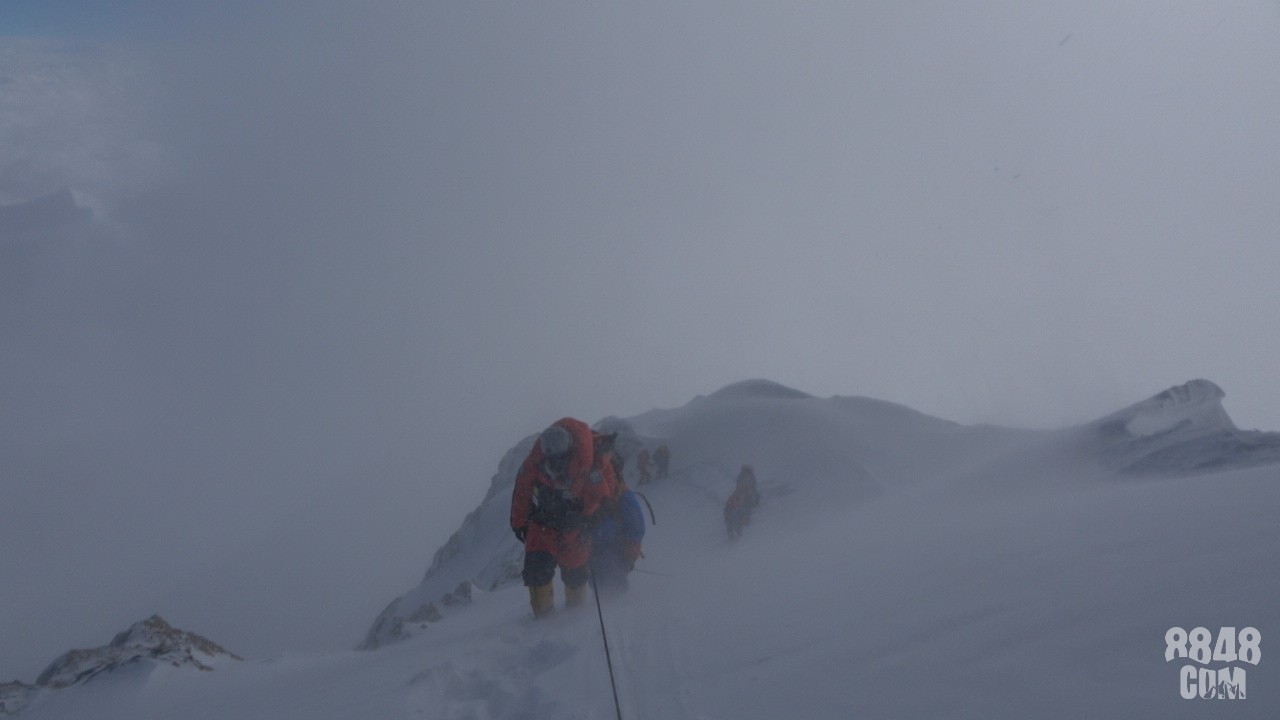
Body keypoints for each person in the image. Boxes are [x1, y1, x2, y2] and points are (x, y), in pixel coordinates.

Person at [510, 418, 619, 618]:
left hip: (574, 525)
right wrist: (519, 523)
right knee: (536, 569)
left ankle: (574, 619)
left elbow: (601, 497)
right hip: (544, 522)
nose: (554, 465)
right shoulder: (536, 460)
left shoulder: (588, 465)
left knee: (575, 572)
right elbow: (522, 491)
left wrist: (588, 521)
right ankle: (543, 619)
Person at [589, 478, 646, 594]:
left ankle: (620, 607)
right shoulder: (591, 493)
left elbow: (636, 529)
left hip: (615, 553)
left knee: (614, 586)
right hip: (596, 552)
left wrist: (629, 557)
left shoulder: (623, 497)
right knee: (598, 587)